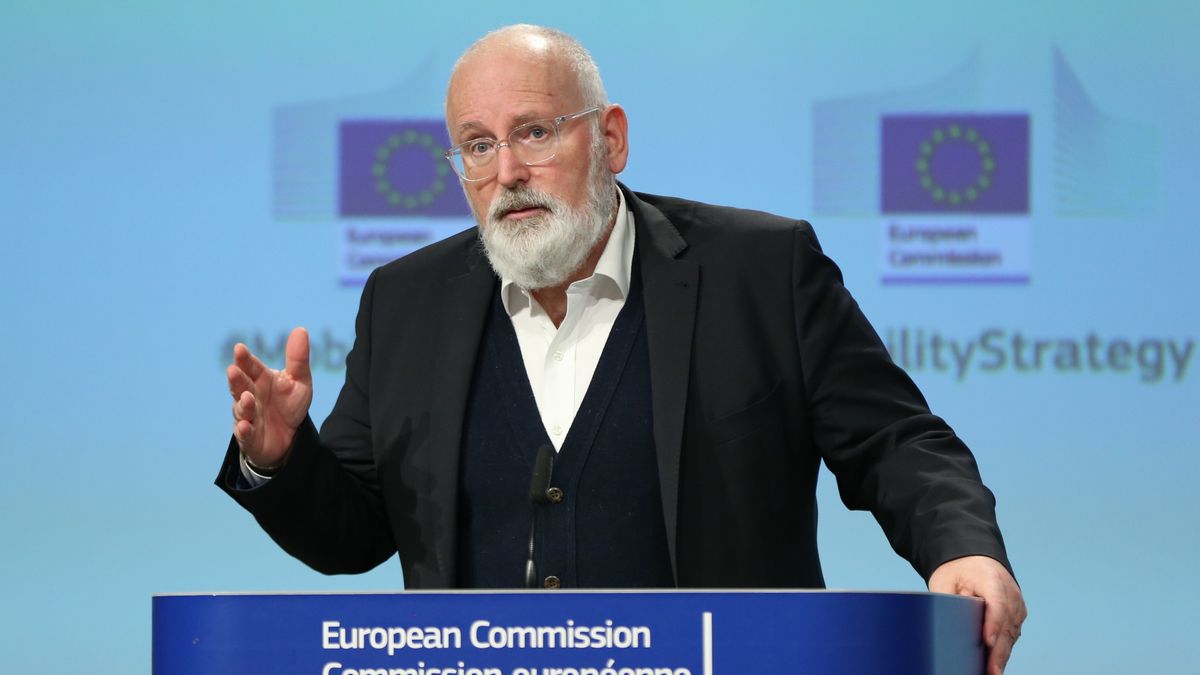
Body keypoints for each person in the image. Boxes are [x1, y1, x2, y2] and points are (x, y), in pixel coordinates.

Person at [219, 24, 1026, 674]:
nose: (507, 172)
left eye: (533, 132)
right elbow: (355, 533)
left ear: (611, 137)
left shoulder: (760, 271)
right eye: (476, 144)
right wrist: (283, 461)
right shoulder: (406, 301)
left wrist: (962, 549)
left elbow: (895, 441)